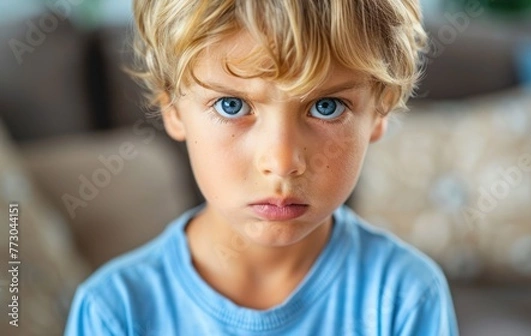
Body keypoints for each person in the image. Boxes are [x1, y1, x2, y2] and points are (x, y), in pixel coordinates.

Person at [65, 0, 458, 335]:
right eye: (231, 106)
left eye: (327, 106)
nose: (282, 163)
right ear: (172, 108)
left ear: (380, 110)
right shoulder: (114, 312)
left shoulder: (405, 298)